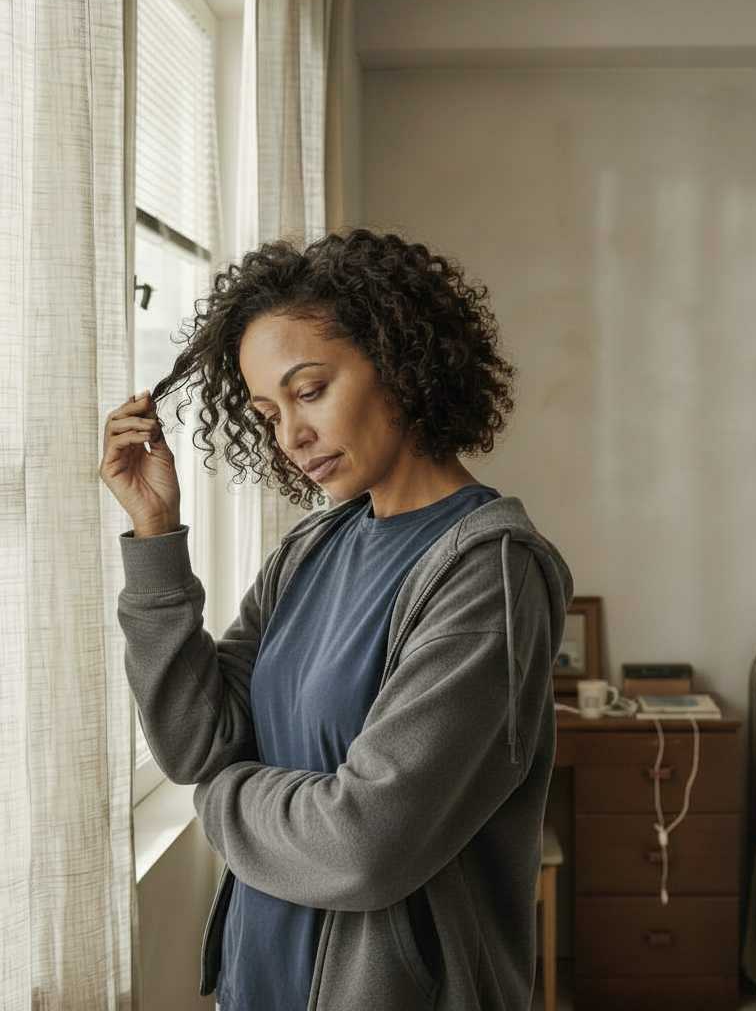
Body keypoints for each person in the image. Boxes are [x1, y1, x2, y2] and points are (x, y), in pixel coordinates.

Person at [99, 228, 575, 1010]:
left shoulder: (489, 574)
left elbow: (364, 846)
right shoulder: (311, 548)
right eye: (267, 412)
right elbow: (195, 744)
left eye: (311, 391)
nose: (291, 436)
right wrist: (155, 538)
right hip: (255, 984)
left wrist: (222, 798)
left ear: (399, 361)